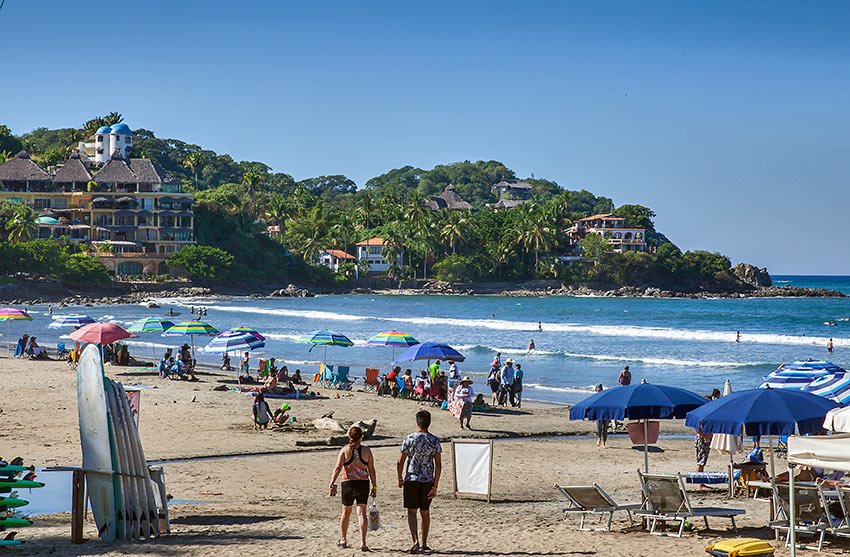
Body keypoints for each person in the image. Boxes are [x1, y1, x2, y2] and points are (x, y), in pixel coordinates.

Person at [397, 410, 441, 554]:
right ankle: (424, 542)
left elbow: (400, 461)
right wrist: (435, 485)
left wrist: (399, 478)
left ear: (417, 423)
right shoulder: (434, 440)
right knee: (425, 512)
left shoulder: (409, 438)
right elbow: (439, 464)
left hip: (412, 478)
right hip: (428, 479)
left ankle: (415, 540)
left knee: (411, 511)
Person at [330, 426, 377, 551]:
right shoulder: (366, 451)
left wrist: (332, 482)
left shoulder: (345, 450)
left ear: (349, 438)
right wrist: (375, 486)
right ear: (361, 438)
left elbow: (338, 468)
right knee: (361, 513)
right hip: (363, 483)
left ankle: (344, 539)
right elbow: (371, 470)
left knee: (346, 512)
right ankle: (363, 542)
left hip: (348, 483)